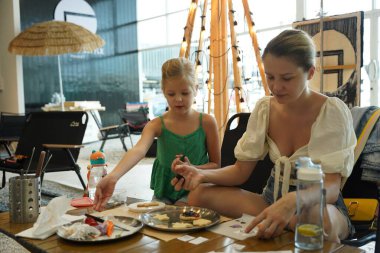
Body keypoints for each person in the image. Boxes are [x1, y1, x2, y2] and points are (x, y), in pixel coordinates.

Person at [172, 29, 356, 242]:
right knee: (198, 194)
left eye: (287, 78)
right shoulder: (265, 109)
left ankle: (278, 222)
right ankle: (278, 223)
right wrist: (200, 174)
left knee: (316, 219)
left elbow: (332, 188)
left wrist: (290, 201)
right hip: (270, 201)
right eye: (270, 77)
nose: (276, 87)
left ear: (311, 73)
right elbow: (240, 171)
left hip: (320, 206)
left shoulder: (331, 111)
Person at [93, 57, 220, 210]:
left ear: (196, 89)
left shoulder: (207, 122)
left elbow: (216, 164)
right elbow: (138, 150)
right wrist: (113, 176)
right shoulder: (157, 124)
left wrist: (194, 168)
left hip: (196, 189)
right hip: (163, 191)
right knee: (159, 221)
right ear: (163, 92)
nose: (178, 99)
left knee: (181, 218)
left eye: (185, 93)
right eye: (171, 94)